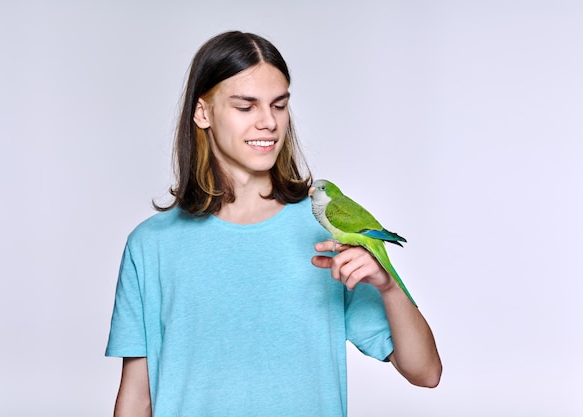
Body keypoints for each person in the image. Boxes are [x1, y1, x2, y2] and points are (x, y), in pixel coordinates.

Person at [105, 31, 442, 417]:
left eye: (278, 105)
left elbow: (425, 371)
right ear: (203, 113)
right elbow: (136, 398)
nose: (268, 122)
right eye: (246, 107)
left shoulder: (327, 231)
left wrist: (388, 286)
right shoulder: (151, 245)